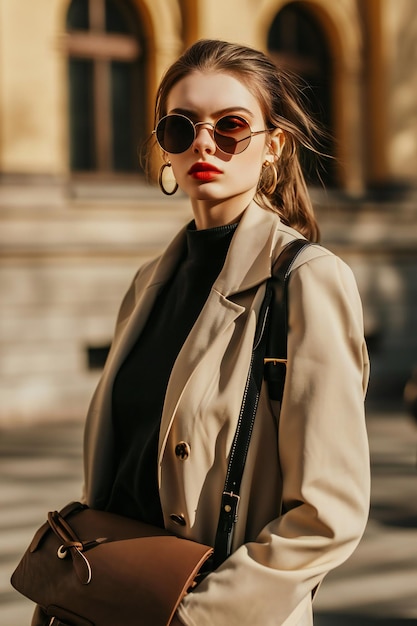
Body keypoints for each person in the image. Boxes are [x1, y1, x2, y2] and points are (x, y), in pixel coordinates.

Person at [83, 39, 370, 625]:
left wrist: (195, 617)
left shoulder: (306, 280)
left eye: (231, 125)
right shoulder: (147, 285)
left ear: (273, 146)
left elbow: (327, 514)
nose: (204, 143)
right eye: (180, 128)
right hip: (111, 601)